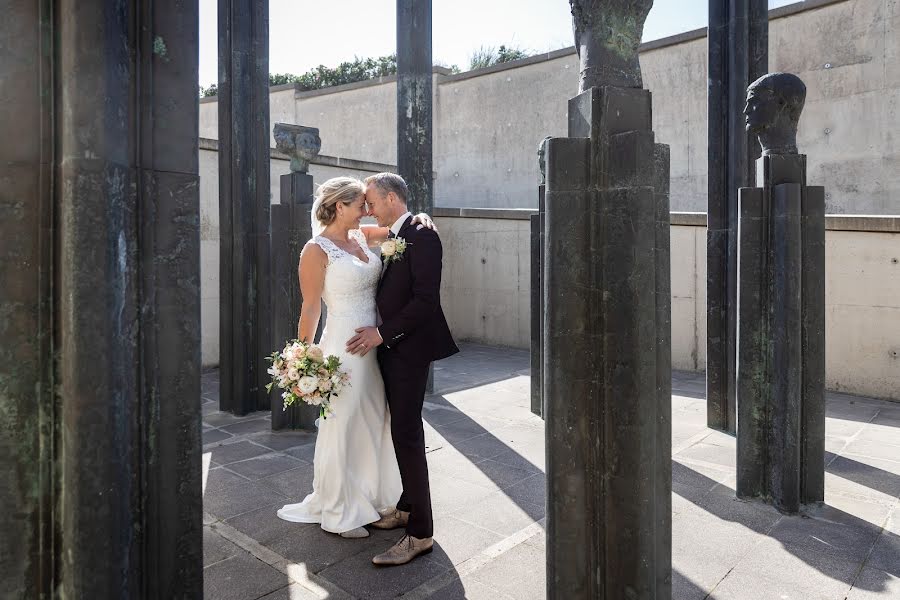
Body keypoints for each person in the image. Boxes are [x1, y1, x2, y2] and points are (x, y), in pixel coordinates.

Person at [275, 176, 437, 539]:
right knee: (343, 422)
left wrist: (423, 215)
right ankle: (340, 508)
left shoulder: (363, 235)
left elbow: (403, 226)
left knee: (373, 420)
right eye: (360, 205)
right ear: (338, 207)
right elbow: (311, 307)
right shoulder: (315, 250)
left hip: (377, 346)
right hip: (344, 348)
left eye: (368, 204)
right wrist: (304, 356)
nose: (367, 210)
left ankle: (370, 497)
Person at [346, 173, 459, 566]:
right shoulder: (405, 228)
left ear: (391, 198)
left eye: (372, 202)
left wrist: (381, 334)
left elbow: (426, 300)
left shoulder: (421, 233)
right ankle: (407, 507)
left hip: (407, 349)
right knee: (400, 429)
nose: (368, 209)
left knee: (407, 436)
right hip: (393, 350)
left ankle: (420, 534)